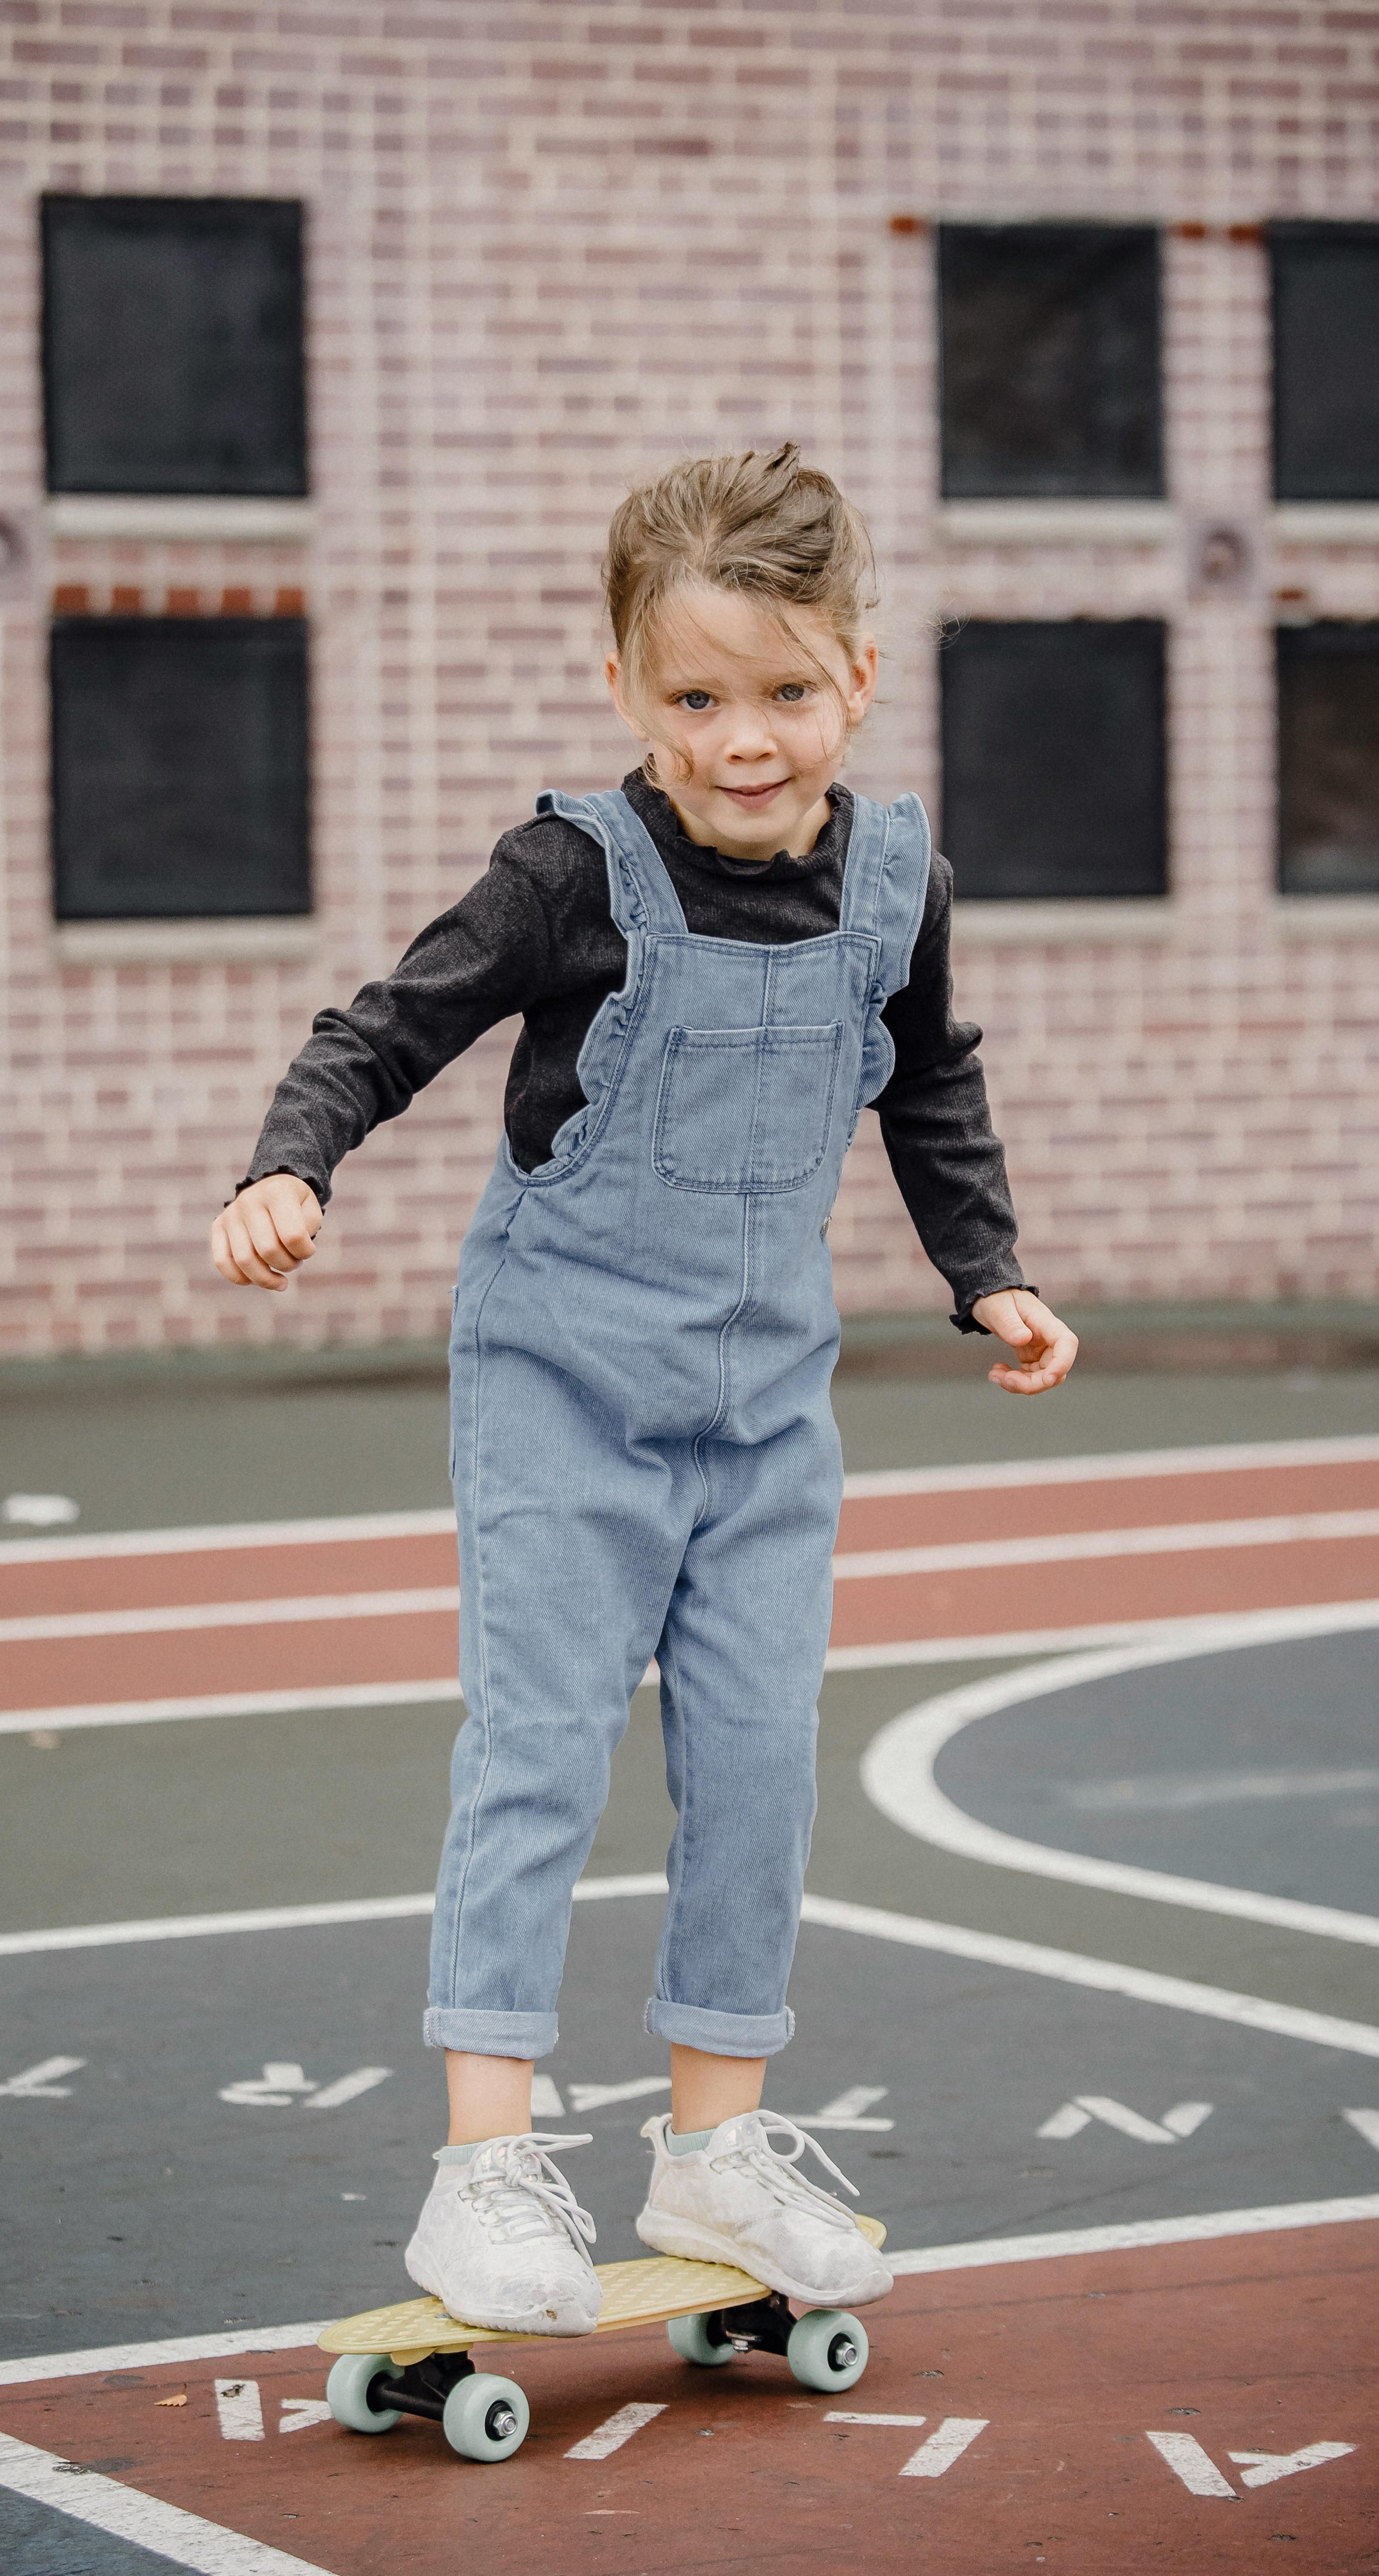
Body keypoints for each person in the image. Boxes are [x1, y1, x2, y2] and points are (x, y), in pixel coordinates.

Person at [212, 445, 1077, 2340]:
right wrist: (294, 1163)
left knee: (759, 1763)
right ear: (625, 692)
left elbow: (931, 1084)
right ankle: (484, 2172)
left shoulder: (898, 881)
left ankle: (716, 2145)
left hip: (769, 1411)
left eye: (782, 692)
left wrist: (988, 1274)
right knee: (539, 1751)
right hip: (563, 1387)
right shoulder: (566, 876)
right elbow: (383, 1027)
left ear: (857, 673)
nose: (741, 739)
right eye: (693, 697)